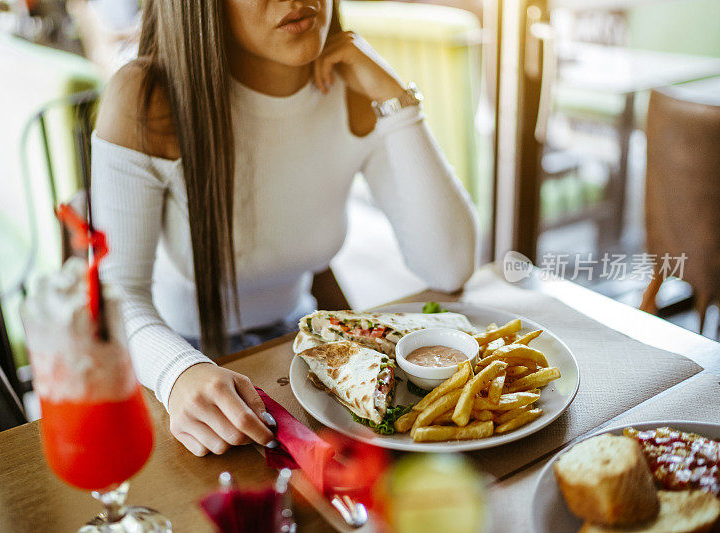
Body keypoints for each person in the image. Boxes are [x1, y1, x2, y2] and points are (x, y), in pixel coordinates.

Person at [92, 0, 479, 457]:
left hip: (304, 346)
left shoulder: (351, 85)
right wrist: (176, 373)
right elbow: (115, 294)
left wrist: (398, 102)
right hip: (175, 361)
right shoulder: (147, 95)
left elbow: (450, 266)